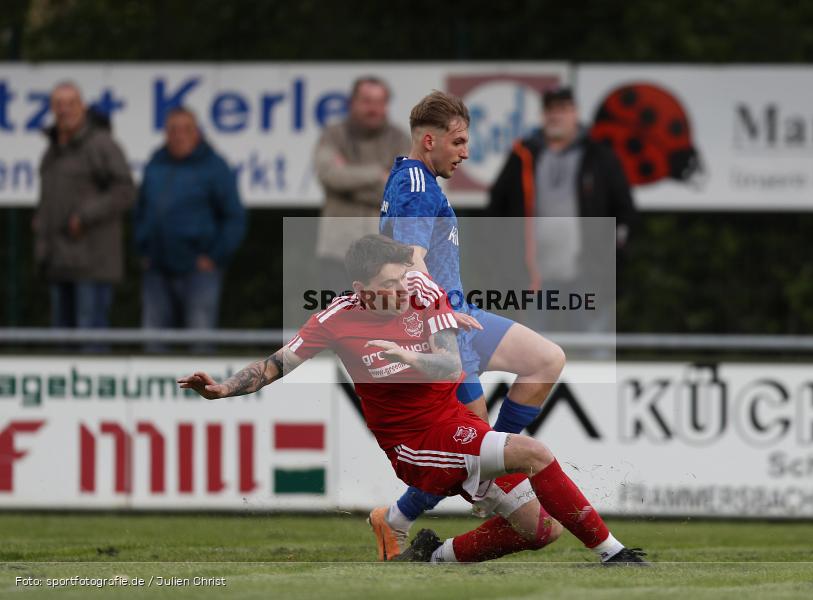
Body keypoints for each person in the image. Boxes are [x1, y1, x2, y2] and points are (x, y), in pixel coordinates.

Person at [177, 234, 646, 566]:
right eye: (389, 285)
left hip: (455, 422)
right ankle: (614, 554)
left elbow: (448, 365)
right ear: (360, 291)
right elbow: (275, 365)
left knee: (542, 531)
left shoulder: (420, 291)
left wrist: (408, 352)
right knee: (534, 453)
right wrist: (221, 388)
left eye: (404, 280)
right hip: (416, 445)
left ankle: (433, 556)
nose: (402, 292)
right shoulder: (334, 320)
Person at [374, 91, 566, 558]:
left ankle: (416, 508)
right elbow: (411, 256)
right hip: (440, 328)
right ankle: (398, 519)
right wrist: (430, 302)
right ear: (428, 140)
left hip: (464, 317)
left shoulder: (419, 181)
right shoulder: (417, 185)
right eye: (458, 142)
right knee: (474, 453)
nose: (466, 152)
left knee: (545, 360)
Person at [487, 86, 636, 334]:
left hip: (588, 273)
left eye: (563, 109)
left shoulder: (599, 156)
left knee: (592, 346)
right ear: (542, 115)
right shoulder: (523, 155)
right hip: (533, 273)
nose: (556, 116)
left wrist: (612, 252)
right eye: (550, 110)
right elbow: (497, 206)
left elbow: (625, 210)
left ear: (575, 113)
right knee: (532, 348)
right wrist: (504, 253)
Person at [134, 107, 246, 350]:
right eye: (173, 129)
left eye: (185, 129)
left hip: (199, 271)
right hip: (157, 269)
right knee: (153, 345)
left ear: (197, 133)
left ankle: (203, 390)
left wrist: (214, 257)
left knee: (200, 344)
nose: (178, 135)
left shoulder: (214, 167)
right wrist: (144, 248)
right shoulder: (156, 163)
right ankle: (156, 389)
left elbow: (234, 217)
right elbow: (141, 209)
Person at [33, 81, 135, 335]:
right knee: (61, 347)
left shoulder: (101, 144)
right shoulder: (51, 152)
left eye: (71, 103)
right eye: (58, 104)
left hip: (92, 265)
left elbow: (125, 191)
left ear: (83, 107)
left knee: (91, 346)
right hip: (59, 263)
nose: (64, 110)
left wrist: (84, 217)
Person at [314, 76, 409, 296]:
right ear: (352, 103)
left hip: (386, 258)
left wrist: (348, 183)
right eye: (367, 101)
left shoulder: (400, 140)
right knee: (336, 323)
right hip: (337, 252)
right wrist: (378, 174)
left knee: (381, 326)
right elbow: (330, 175)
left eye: (379, 102)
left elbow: (401, 192)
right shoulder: (332, 135)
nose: (373, 109)